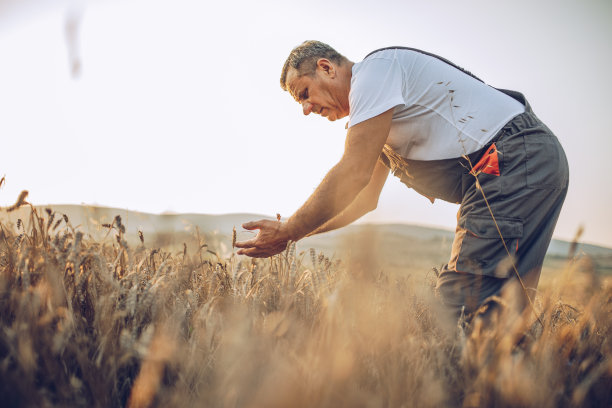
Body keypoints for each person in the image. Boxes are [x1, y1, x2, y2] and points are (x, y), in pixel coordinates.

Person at [235, 40, 569, 318]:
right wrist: (293, 235)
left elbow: (353, 173)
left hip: (512, 157)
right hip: (529, 161)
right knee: (501, 309)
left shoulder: (374, 73)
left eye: (304, 94)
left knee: (458, 306)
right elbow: (364, 200)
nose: (306, 109)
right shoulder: (377, 115)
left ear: (326, 67)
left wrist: (290, 229)